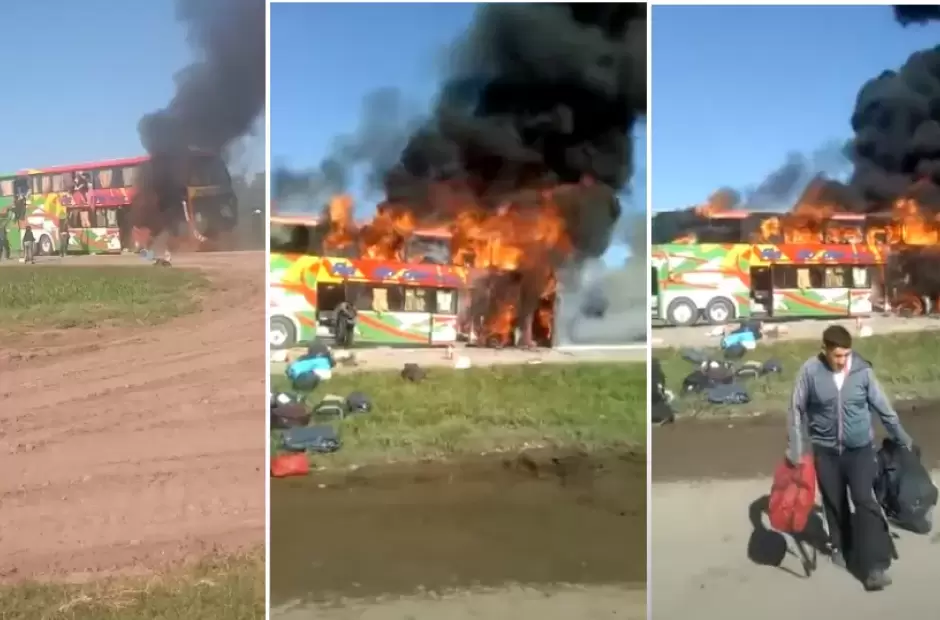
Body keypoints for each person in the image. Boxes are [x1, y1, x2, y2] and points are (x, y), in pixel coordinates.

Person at [786, 324, 912, 591]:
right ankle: (840, 546)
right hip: (826, 451)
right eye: (837, 356)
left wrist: (902, 437)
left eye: (847, 355)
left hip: (860, 450)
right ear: (825, 350)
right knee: (834, 502)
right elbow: (796, 410)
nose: (843, 361)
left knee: (864, 500)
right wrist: (797, 449)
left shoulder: (862, 371)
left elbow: (883, 408)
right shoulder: (810, 371)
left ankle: (874, 566)